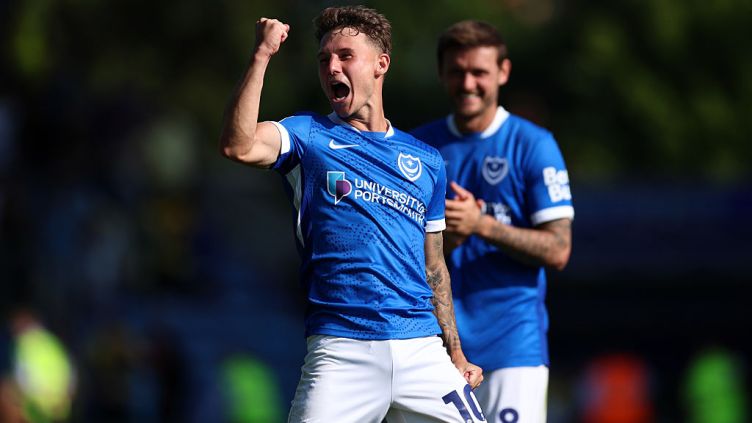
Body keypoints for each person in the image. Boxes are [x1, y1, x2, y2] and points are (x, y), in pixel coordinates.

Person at [219, 6, 484, 422]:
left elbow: (434, 266)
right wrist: (261, 55)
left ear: (381, 64)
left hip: (422, 349)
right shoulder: (308, 135)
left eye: (345, 55)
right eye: (324, 59)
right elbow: (238, 145)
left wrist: (456, 352)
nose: (332, 67)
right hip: (341, 351)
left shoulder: (426, 160)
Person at [411, 20, 574, 423]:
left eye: (479, 72)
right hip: (433, 349)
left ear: (503, 72)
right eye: (457, 72)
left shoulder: (533, 144)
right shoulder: (417, 148)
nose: (468, 83)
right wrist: (447, 237)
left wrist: (482, 225)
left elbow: (559, 249)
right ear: (442, 74)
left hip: (512, 348)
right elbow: (402, 251)